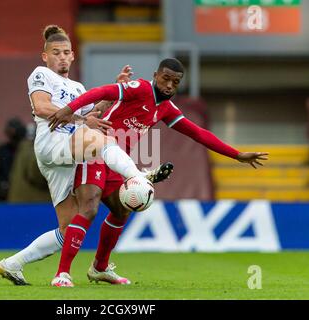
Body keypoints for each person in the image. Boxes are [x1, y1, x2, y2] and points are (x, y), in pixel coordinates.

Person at [46, 57, 269, 287]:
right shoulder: (139, 89)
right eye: (166, 79)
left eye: (175, 82)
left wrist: (236, 154)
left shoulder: (165, 108)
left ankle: (99, 268)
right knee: (89, 207)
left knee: (121, 210)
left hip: (116, 161)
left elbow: (198, 133)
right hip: (95, 149)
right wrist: (68, 109)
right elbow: (102, 91)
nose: (170, 85)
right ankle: (62, 274)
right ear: (155, 75)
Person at [0, 25, 170, 284]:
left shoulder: (77, 87)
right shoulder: (41, 74)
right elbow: (43, 107)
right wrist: (79, 119)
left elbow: (93, 115)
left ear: (73, 55)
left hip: (68, 157)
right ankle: (138, 176)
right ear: (45, 56)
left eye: (67, 52)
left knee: (68, 230)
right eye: (56, 52)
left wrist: (113, 93)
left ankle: (12, 264)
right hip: (52, 144)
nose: (62, 57)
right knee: (101, 140)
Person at [7, 122, 52, 203]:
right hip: (36, 202)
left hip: (19, 201)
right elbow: (36, 175)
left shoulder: (23, 149)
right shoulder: (35, 151)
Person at [0, 117, 27, 202]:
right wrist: (2, 183)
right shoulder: (1, 150)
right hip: (5, 194)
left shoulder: (28, 151)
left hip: (24, 194)